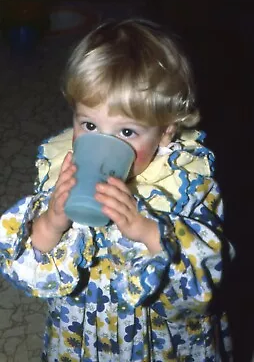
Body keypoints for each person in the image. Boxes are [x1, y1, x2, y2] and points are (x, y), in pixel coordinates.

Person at [0, 19, 234, 361]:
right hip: (82, 338)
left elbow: (204, 283)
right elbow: (30, 275)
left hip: (160, 342)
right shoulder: (63, 172)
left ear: (166, 132)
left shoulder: (187, 183)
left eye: (127, 132)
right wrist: (52, 221)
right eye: (90, 125)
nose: (104, 142)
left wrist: (148, 230)